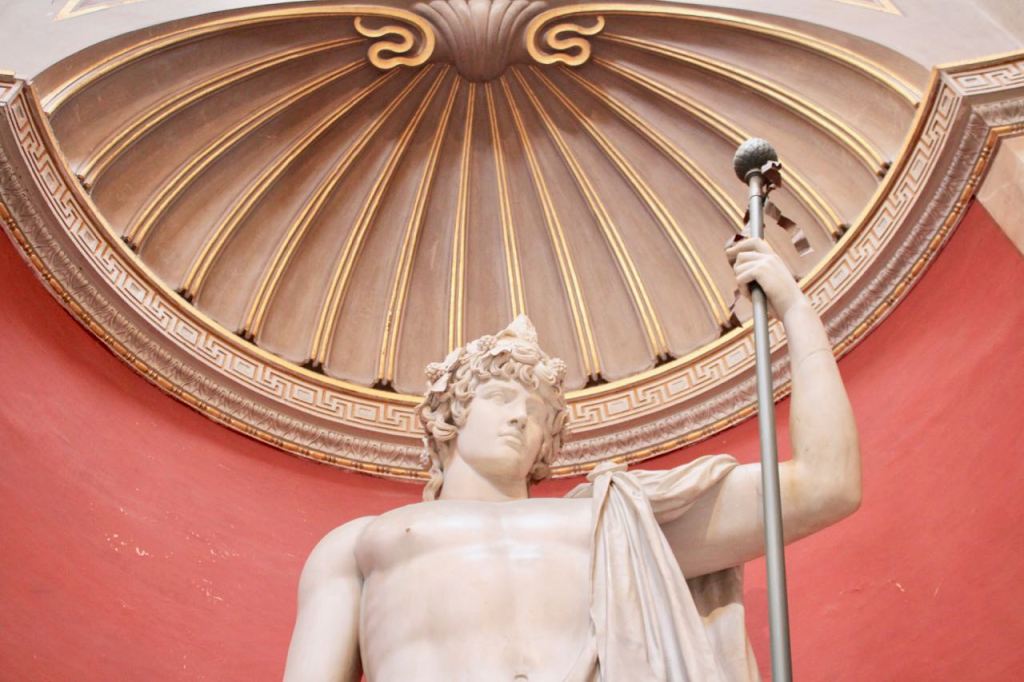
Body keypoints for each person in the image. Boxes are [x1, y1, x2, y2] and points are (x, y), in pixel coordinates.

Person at [283, 238, 861, 681]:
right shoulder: (361, 542)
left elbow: (825, 485)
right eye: (499, 396)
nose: (520, 417)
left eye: (538, 411)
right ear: (448, 416)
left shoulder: (613, 521)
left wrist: (794, 308)